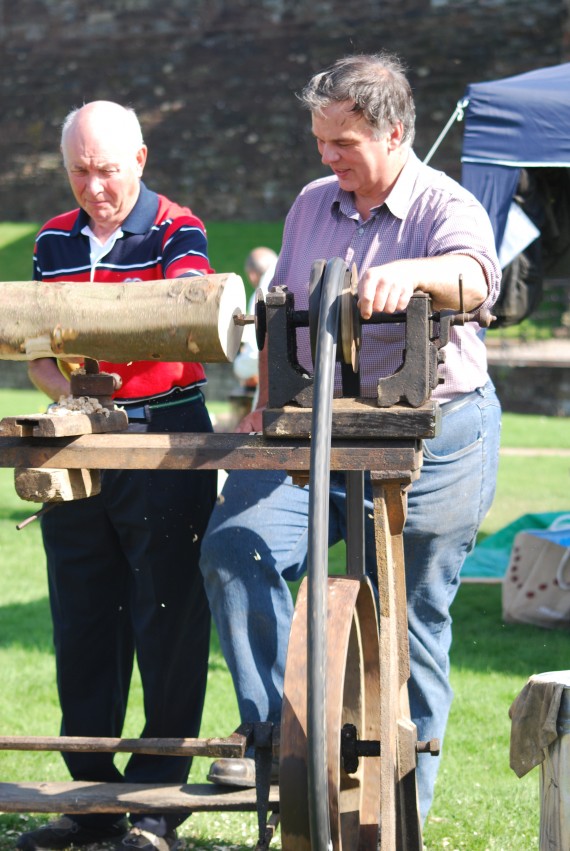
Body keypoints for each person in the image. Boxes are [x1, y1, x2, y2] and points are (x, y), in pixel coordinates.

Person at [200, 53, 502, 823]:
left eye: (344, 143)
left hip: (434, 435)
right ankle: (284, 740)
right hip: (315, 430)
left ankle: (399, 816)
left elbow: (477, 274)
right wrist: (262, 416)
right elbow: (285, 310)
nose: (328, 157)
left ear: (395, 132)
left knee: (413, 621)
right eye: (320, 141)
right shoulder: (311, 203)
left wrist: (420, 275)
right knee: (238, 546)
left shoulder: (444, 203)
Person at [17, 101, 217, 851]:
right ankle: (91, 800)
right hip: (80, 434)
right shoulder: (52, 238)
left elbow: (181, 317)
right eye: (79, 170)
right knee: (84, 615)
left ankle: (159, 802)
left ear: (139, 158)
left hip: (165, 434)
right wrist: (67, 387)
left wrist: (92, 348)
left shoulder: (178, 228)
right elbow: (39, 341)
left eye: (106, 169)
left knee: (166, 614)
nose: (94, 186)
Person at [232, 246, 278, 397]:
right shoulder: (286, 270)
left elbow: (254, 352)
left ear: (252, 275)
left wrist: (240, 367)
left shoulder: (262, 291)